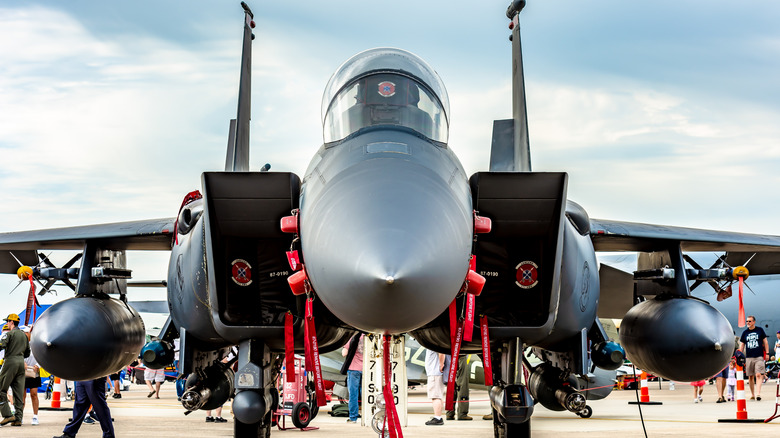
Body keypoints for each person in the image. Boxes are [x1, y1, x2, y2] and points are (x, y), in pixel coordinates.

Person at [0, 313, 30, 427]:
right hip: (21, 363)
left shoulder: (9, 334)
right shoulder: (24, 335)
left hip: (10, 361)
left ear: (12, 322)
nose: (7, 323)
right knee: (18, 393)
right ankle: (18, 419)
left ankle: (7, 415)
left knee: (1, 388)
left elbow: (2, 345)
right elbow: (28, 352)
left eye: (8, 321)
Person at [739, 315, 768, 400]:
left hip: (759, 356)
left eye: (750, 321)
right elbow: (742, 345)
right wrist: (739, 355)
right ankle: (753, 394)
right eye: (747, 321)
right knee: (750, 376)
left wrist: (767, 353)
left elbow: (765, 342)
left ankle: (758, 394)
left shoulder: (760, 330)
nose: (748, 323)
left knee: (758, 374)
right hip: (749, 357)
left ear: (754, 322)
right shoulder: (745, 333)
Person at [340, 333, 364, 424]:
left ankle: (353, 418)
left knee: (353, 395)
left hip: (353, 369)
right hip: (367, 369)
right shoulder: (370, 337)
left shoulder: (353, 336)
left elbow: (344, 353)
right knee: (366, 394)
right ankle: (368, 416)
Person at [21, 326, 40, 425]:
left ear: (29, 333)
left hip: (34, 371)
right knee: (22, 396)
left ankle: (35, 416)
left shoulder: (36, 344)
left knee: (34, 394)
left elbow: (41, 356)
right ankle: (20, 417)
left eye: (25, 332)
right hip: (22, 372)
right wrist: (21, 363)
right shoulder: (20, 344)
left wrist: (38, 365)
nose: (24, 334)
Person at [446, 354, 472, 420]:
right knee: (463, 384)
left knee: (452, 383)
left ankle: (449, 413)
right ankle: (462, 413)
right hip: (461, 354)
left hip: (450, 355)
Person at [424, 349, 446, 426]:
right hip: (435, 373)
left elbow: (441, 352)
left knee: (435, 396)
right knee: (438, 396)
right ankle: (438, 416)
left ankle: (438, 418)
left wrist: (441, 364)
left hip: (434, 373)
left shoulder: (433, 342)